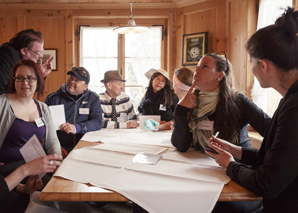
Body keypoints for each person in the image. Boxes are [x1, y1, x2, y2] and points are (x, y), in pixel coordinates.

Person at [206, 8, 298, 213]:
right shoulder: (288, 99)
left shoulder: (294, 107)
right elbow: (276, 161)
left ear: (263, 65)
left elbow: (268, 182)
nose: (252, 70)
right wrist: (235, 150)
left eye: (251, 64)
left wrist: (229, 164)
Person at [0, 59, 61, 185]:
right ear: (14, 80)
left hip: (38, 166)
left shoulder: (43, 108)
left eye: (30, 78)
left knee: (64, 191)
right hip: (9, 169)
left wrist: (57, 163)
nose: (25, 83)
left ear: (39, 81)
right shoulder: (2, 103)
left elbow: (52, 141)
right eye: (19, 78)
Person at [45, 67, 102, 152]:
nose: (72, 81)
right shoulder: (53, 98)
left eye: (77, 80)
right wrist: (56, 148)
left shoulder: (93, 98)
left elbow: (97, 122)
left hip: (85, 147)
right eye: (71, 78)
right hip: (60, 148)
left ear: (85, 86)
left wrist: (76, 128)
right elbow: (45, 126)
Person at [0, 29, 53, 95]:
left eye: (41, 51)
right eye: (38, 52)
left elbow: (29, 89)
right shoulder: (7, 54)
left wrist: (41, 74)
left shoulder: (22, 59)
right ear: (23, 51)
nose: (41, 56)